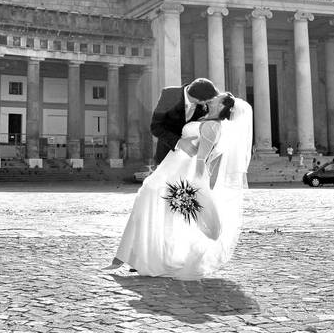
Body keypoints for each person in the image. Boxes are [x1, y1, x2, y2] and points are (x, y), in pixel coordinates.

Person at [105, 92, 253, 280]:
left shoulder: (213, 126)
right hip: (170, 166)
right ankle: (133, 257)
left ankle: (133, 258)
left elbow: (202, 159)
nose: (213, 96)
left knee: (153, 204)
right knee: (152, 205)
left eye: (218, 97)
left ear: (223, 105)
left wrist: (197, 185)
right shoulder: (203, 117)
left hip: (182, 172)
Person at [150, 78, 219, 164]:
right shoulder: (169, 94)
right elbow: (156, 127)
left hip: (192, 159)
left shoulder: (204, 101)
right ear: (200, 100)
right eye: (208, 101)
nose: (209, 103)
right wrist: (180, 142)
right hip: (167, 155)